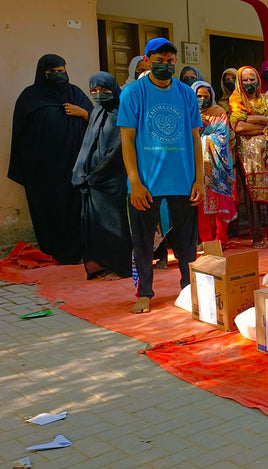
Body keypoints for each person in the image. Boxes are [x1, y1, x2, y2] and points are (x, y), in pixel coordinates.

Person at [117, 38, 203, 314]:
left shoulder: (187, 94)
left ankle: (189, 291)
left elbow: (195, 138)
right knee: (142, 241)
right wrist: (134, 182)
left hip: (183, 180)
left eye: (170, 61)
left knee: (188, 243)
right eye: (159, 60)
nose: (165, 65)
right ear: (147, 59)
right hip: (146, 183)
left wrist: (199, 179)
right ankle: (144, 293)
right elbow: (127, 139)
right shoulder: (133, 93)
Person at [9, 54, 92, 265]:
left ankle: (79, 251)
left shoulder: (75, 93)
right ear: (42, 73)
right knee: (50, 210)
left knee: (76, 209)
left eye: (62, 70)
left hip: (75, 168)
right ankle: (53, 250)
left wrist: (82, 113)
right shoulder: (30, 97)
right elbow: (21, 133)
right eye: (53, 72)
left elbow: (98, 121)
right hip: (44, 171)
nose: (58, 75)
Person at [72, 71, 131, 279]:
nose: (99, 94)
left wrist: (99, 173)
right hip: (93, 180)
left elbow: (118, 148)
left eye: (104, 89)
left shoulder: (121, 112)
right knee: (96, 225)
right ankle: (101, 265)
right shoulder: (96, 111)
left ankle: (120, 267)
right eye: (94, 90)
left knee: (115, 224)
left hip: (112, 178)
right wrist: (80, 171)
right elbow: (88, 143)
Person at [228, 65, 268, 248]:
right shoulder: (236, 100)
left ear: (258, 80)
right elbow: (238, 126)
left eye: (252, 79)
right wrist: (267, 124)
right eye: (245, 80)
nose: (249, 83)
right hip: (247, 157)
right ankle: (257, 235)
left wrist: (252, 118)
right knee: (252, 197)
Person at [193, 81, 236, 244]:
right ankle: (206, 241)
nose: (203, 99)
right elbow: (185, 137)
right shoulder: (189, 112)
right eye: (199, 96)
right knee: (200, 206)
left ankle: (221, 239)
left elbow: (222, 137)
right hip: (197, 166)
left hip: (217, 167)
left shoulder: (218, 112)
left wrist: (204, 135)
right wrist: (197, 126)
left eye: (206, 96)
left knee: (220, 203)